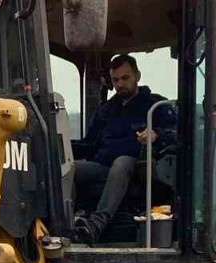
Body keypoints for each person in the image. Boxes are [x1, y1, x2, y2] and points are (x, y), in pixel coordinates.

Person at [72, 54, 177, 243]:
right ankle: (66, 224)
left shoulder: (156, 105)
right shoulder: (106, 111)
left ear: (137, 76)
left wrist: (156, 135)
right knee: (69, 169)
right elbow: (89, 145)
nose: (120, 84)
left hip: (138, 168)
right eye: (116, 79)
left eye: (125, 78)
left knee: (121, 163)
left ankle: (96, 224)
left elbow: (178, 134)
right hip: (104, 167)